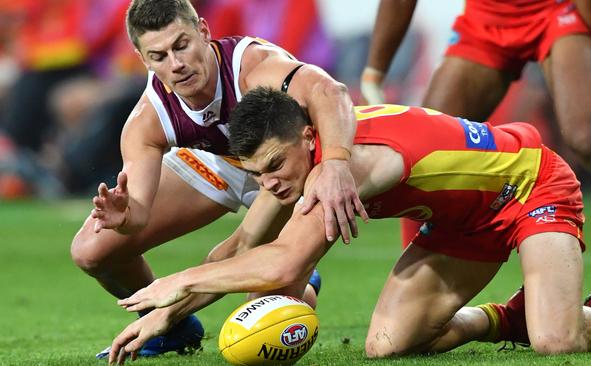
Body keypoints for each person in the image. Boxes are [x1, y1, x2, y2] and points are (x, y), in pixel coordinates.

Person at [108, 88, 591, 364]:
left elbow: (285, 263)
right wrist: (167, 315)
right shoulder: (297, 166)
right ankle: (509, 318)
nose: (269, 184)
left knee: (557, 342)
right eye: (256, 174)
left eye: (275, 166)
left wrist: (175, 280)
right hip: (460, 221)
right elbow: (244, 243)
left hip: (530, 184)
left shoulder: (347, 169)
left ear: (305, 137)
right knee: (387, 346)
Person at [70, 0, 368, 359]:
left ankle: (295, 277)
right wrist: (126, 218)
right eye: (159, 55)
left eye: (182, 45)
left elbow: (331, 92)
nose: (176, 63)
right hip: (220, 160)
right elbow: (139, 215)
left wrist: (335, 164)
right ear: (142, 58)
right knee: (91, 249)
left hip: (285, 165)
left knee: (266, 306)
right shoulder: (148, 121)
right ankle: (172, 329)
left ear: (203, 32)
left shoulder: (252, 67)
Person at [361, 0, 591, 252]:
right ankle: (412, 297)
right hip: (486, 18)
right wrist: (374, 72)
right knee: (424, 148)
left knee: (589, 139)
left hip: (556, 11)